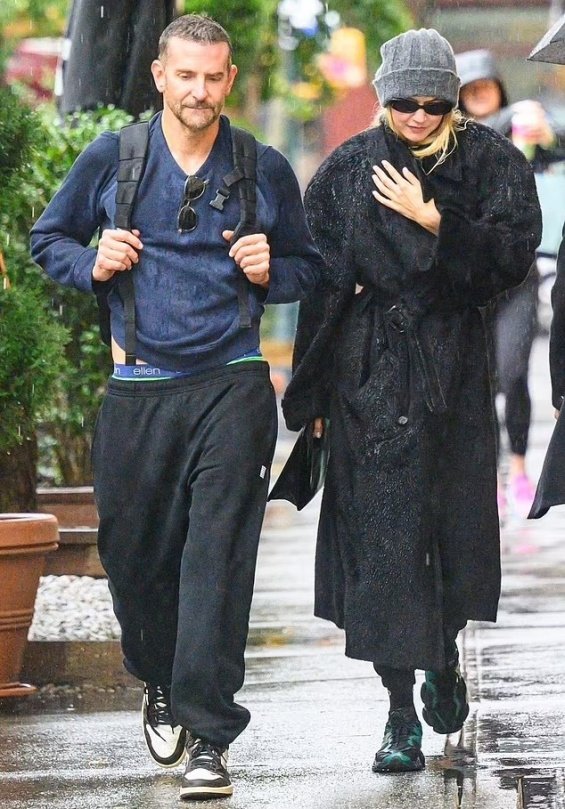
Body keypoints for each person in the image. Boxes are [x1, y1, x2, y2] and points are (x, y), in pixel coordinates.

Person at [31, 14, 322, 801]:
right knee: (134, 560)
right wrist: (92, 261)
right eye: (184, 75)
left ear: (229, 80)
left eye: (213, 76)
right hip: (137, 390)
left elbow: (308, 266)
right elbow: (46, 238)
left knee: (215, 563)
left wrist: (273, 269)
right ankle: (158, 676)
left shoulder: (258, 166)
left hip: (230, 385)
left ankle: (210, 734)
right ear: (161, 75)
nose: (198, 90)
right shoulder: (115, 157)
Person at [282, 28, 541, 773]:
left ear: (455, 99)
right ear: (381, 97)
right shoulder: (342, 173)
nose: (420, 117)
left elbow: (511, 261)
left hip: (453, 373)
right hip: (368, 376)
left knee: (452, 531)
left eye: (435, 103)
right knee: (381, 547)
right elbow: (319, 291)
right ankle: (397, 712)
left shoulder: (491, 163)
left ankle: (443, 660)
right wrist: (315, 398)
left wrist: (437, 222)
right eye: (404, 103)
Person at [456, 48, 562, 521]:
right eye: (470, 89)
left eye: (487, 86)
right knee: (483, 379)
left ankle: (518, 467)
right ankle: (493, 471)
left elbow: (556, 143)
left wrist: (547, 132)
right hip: (472, 281)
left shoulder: (525, 131)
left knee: (513, 370)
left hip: (518, 275)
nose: (480, 96)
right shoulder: (451, 140)